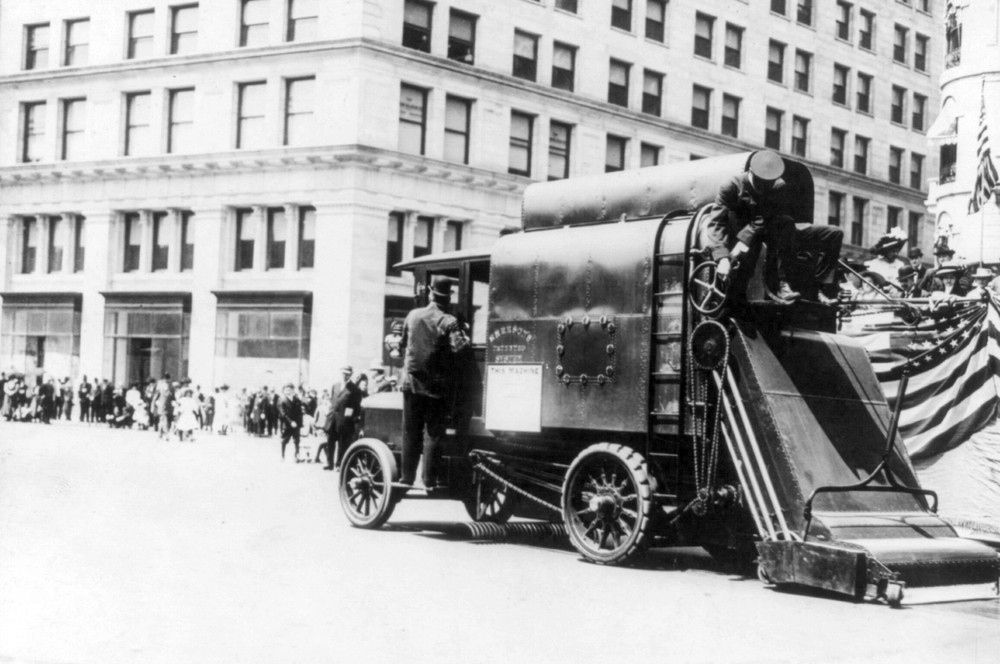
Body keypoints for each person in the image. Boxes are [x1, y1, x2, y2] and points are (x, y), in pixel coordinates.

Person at [702, 150, 843, 304]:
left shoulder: (778, 186)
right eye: (761, 182)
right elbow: (716, 221)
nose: (765, 187)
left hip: (770, 229)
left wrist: (745, 240)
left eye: (769, 183)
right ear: (751, 172)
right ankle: (772, 287)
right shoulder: (731, 186)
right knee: (781, 226)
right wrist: (722, 257)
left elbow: (764, 219)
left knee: (830, 233)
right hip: (743, 233)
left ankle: (814, 288)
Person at [398, 275, 469, 488]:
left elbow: (402, 343)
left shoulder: (412, 315)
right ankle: (428, 479)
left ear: (430, 292)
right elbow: (461, 349)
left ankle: (406, 477)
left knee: (410, 431)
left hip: (410, 383)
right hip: (435, 388)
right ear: (449, 297)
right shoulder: (448, 321)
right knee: (433, 433)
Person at [319, 366, 364, 470]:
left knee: (342, 443)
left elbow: (356, 406)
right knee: (330, 441)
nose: (345, 375)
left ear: (351, 374)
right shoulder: (335, 385)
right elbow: (332, 400)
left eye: (347, 373)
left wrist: (350, 417)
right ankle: (329, 463)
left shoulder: (355, 389)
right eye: (343, 373)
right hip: (332, 419)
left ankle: (339, 464)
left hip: (344, 420)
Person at [277, 383, 304, 462]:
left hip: (296, 424)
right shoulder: (282, 400)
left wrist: (299, 423)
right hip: (287, 424)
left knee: (297, 440)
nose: (288, 390)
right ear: (284, 391)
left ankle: (296, 455)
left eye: (290, 388)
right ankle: (282, 456)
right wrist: (291, 422)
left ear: (293, 390)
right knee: (285, 440)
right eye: (286, 389)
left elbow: (300, 412)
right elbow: (283, 413)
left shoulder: (297, 399)